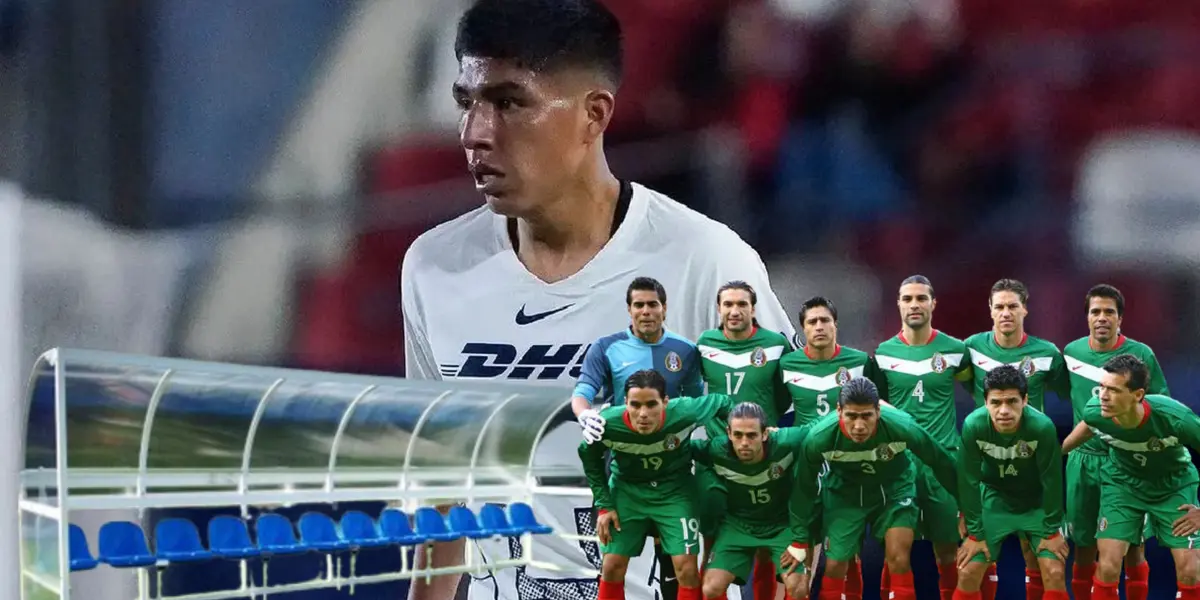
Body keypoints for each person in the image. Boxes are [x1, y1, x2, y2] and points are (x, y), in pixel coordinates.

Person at [398, 1, 795, 600]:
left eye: (509, 102)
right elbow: (442, 485)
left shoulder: (704, 264)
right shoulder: (433, 268)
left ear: (594, 114)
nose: (475, 132)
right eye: (467, 102)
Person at [570, 276, 703, 600]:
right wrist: (584, 414)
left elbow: (697, 402)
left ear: (664, 308)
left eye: (652, 304)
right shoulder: (607, 347)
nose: (646, 311)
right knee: (613, 561)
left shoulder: (684, 351)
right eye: (639, 305)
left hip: (671, 468)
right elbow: (583, 392)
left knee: (675, 561)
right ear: (629, 310)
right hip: (624, 466)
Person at [786, 378, 959, 600]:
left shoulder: (903, 426)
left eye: (866, 415)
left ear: (879, 411)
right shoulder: (819, 438)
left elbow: (941, 462)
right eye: (851, 416)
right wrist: (799, 539)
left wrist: (967, 510)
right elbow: (804, 490)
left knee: (899, 557)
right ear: (839, 411)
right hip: (844, 496)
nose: (859, 425)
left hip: (894, 492)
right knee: (835, 565)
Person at [578, 370, 739, 600]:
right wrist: (604, 504)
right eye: (635, 405)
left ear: (665, 402)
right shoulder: (607, 423)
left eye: (651, 404)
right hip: (627, 491)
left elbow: (723, 402)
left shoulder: (685, 411)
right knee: (611, 566)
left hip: (675, 492)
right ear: (625, 403)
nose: (643, 414)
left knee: (686, 568)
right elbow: (589, 457)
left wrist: (733, 433)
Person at [961, 278, 1068, 600]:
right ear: (990, 311)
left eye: (1012, 306)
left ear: (1025, 309)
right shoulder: (970, 348)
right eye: (999, 307)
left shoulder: (1048, 353)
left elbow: (1069, 392)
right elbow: (958, 383)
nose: (1006, 312)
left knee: (1038, 559)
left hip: (1031, 464)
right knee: (972, 564)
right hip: (990, 467)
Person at [1061, 285, 1169, 600]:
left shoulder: (1141, 355)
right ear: (1087, 318)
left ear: (1120, 318)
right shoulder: (1071, 353)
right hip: (1083, 461)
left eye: (1110, 312)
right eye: (1096, 311)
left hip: (1126, 462)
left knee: (1132, 549)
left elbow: (1159, 404)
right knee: (1083, 548)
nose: (1102, 318)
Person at [1061, 355, 1200, 600]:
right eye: (1102, 387)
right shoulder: (1096, 411)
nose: (1103, 395)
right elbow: (1076, 436)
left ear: (1137, 395)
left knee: (1190, 570)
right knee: (1108, 565)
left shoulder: (1177, 418)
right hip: (1122, 485)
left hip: (1173, 486)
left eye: (1113, 390)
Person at [777, 295, 883, 600]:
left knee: (846, 557)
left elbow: (880, 408)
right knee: (798, 559)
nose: (819, 326)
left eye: (825, 320)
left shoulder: (860, 362)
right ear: (803, 329)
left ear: (835, 324)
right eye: (812, 322)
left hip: (846, 469)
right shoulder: (787, 365)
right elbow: (774, 407)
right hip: (804, 470)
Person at [693, 280, 793, 600]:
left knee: (766, 546)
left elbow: (784, 394)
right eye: (728, 305)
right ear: (719, 309)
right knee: (711, 537)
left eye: (742, 305)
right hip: (719, 454)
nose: (735, 311)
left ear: (753, 308)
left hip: (764, 456)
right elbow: (694, 391)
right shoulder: (705, 344)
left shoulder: (775, 344)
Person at [872, 275, 970, 600]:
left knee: (948, 555)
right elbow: (877, 407)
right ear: (898, 304)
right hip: (901, 464)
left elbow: (981, 394)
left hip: (942, 461)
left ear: (933, 303)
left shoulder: (956, 352)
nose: (914, 305)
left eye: (921, 298)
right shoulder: (884, 354)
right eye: (908, 299)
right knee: (896, 554)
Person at [954, 366, 1069, 600]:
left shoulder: (1042, 427)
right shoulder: (973, 426)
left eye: (1012, 401)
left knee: (1055, 571)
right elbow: (968, 481)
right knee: (967, 572)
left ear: (1025, 400)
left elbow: (1052, 480)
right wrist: (975, 534)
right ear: (985, 402)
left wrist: (1052, 530)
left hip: (1036, 503)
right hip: (995, 500)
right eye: (996, 402)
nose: (1004, 411)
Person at [690, 403, 811, 600]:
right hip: (738, 525)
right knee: (710, 588)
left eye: (751, 435)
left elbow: (819, 427)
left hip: (781, 526)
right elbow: (677, 446)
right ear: (728, 433)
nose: (744, 442)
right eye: (738, 435)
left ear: (765, 434)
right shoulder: (716, 450)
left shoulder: (787, 442)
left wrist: (877, 406)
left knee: (798, 588)